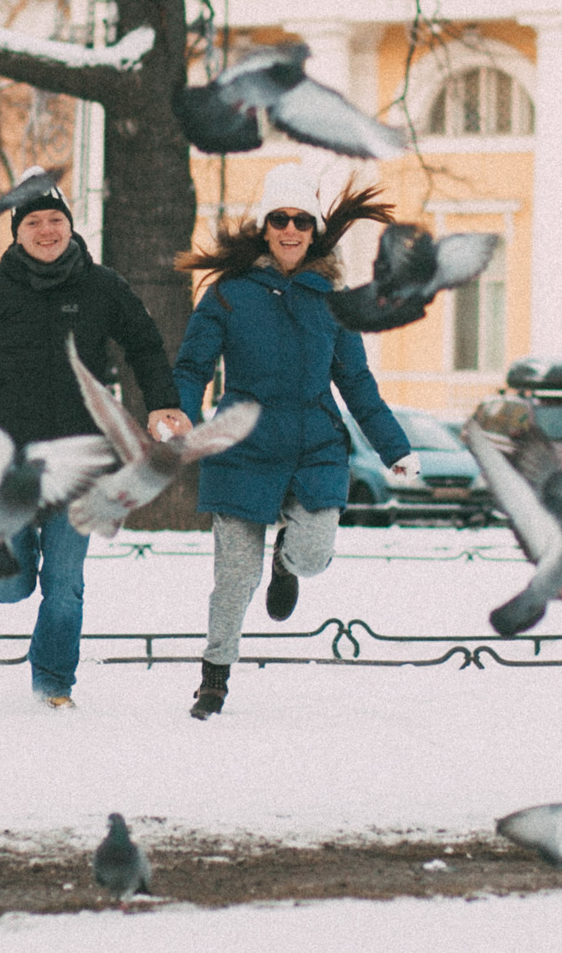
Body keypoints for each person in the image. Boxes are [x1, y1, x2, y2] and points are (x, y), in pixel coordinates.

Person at [153, 162, 417, 720]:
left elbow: (357, 381)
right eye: (280, 219)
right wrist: (179, 411)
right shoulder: (229, 295)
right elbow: (195, 362)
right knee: (233, 580)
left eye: (301, 220)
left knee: (316, 554)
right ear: (265, 226)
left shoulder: (332, 301)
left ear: (314, 229)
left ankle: (288, 564)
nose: (291, 229)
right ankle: (214, 679)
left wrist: (393, 447)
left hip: (313, 446)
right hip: (242, 446)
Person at [0, 174, 170, 709]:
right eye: (34, 223)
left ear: (70, 226)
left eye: (56, 220)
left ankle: (53, 683)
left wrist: (164, 401)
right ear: (17, 233)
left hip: (79, 464)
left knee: (66, 581)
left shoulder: (103, 288)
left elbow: (144, 345)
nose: (47, 231)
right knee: (12, 586)